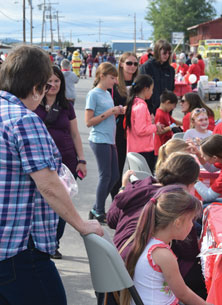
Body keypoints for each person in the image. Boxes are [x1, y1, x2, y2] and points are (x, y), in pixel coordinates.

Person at [0, 44, 102, 305]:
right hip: (20, 247)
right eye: (45, 87)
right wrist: (81, 225)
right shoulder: (25, 120)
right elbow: (48, 185)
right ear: (36, 87)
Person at [107, 153, 207, 302]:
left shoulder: (139, 188)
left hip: (119, 267)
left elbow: (111, 220)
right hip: (129, 273)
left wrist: (123, 188)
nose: (192, 224)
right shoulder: (177, 204)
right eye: (191, 221)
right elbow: (189, 255)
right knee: (202, 278)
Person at [119, 185, 211, 305]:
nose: (192, 225)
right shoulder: (163, 255)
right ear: (177, 222)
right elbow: (183, 294)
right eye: (191, 220)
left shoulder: (147, 241)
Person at [34, 65, 87, 259]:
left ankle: (54, 242)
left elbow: (75, 134)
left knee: (63, 203)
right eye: (49, 81)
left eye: (57, 81)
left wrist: (82, 159)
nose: (53, 84)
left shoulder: (67, 106)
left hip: (66, 161)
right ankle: (40, 242)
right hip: (41, 162)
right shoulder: (33, 104)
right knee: (43, 203)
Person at [85, 62, 125, 224]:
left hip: (109, 139)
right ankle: (99, 210)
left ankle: (96, 207)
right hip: (99, 139)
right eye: (112, 77)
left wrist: (118, 111)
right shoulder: (94, 94)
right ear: (102, 76)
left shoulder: (108, 93)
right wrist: (111, 112)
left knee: (115, 175)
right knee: (105, 175)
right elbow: (89, 122)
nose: (115, 81)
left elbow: (108, 117)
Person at [110, 52, 139, 199]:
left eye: (135, 64)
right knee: (118, 167)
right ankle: (116, 199)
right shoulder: (114, 84)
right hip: (119, 129)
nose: (132, 67)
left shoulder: (139, 83)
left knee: (136, 166)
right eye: (129, 63)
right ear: (121, 64)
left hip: (137, 130)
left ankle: (134, 199)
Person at [125, 74, 163, 173]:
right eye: (151, 89)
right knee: (144, 181)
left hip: (135, 148)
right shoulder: (141, 106)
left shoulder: (133, 102)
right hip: (143, 150)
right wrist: (155, 127)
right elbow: (141, 130)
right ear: (146, 89)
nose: (152, 92)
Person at [139, 39, 175, 114]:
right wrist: (149, 110)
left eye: (169, 53)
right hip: (151, 110)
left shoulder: (170, 70)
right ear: (158, 52)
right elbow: (142, 91)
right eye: (164, 53)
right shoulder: (147, 67)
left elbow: (171, 89)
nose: (167, 55)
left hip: (165, 110)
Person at [154, 89, 181, 157]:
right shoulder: (160, 114)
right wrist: (170, 127)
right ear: (167, 102)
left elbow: (174, 122)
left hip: (167, 145)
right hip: (161, 148)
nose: (173, 108)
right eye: (173, 106)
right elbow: (158, 132)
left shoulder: (166, 113)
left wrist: (186, 123)